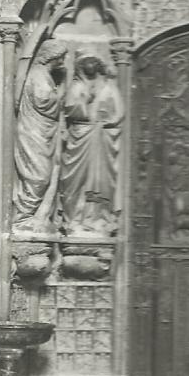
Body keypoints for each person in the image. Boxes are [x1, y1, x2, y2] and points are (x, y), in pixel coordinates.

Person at [60, 51, 124, 237]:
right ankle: (75, 220)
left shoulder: (109, 87)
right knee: (77, 182)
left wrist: (106, 122)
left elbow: (119, 113)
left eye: (93, 62)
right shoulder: (76, 86)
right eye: (86, 63)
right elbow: (70, 108)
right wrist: (85, 101)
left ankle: (99, 220)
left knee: (101, 181)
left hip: (103, 141)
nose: (90, 66)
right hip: (80, 137)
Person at [13, 39, 68, 231]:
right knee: (39, 175)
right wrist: (61, 97)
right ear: (51, 57)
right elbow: (43, 100)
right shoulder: (38, 74)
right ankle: (22, 217)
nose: (63, 61)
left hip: (43, 131)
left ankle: (29, 217)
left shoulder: (45, 75)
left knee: (43, 174)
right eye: (61, 57)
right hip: (33, 130)